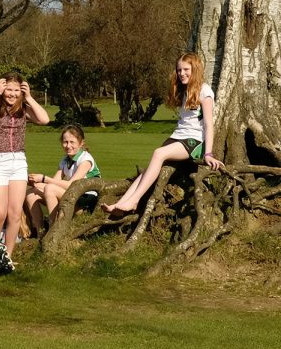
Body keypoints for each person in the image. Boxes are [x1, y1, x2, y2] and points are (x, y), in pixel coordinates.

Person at [102, 52, 223, 217]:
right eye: (179, 70)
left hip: (194, 141)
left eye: (186, 69)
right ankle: (122, 203)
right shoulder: (184, 90)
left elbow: (209, 124)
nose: (181, 73)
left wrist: (208, 153)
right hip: (178, 137)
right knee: (148, 169)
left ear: (195, 69)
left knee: (158, 153)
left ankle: (134, 201)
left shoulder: (205, 91)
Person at [0, 72, 50, 257]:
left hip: (18, 161)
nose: (12, 94)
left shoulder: (23, 109)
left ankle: (7, 256)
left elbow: (44, 120)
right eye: (8, 89)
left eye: (16, 90)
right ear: (2, 89)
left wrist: (30, 98)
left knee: (15, 214)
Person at [25, 124, 101, 231]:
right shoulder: (65, 160)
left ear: (81, 143)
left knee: (49, 189)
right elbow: (55, 181)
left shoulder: (86, 159)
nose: (68, 145)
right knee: (31, 193)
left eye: (72, 142)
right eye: (65, 142)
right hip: (72, 195)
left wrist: (43, 178)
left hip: (85, 201)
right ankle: (40, 231)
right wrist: (34, 182)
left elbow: (73, 185)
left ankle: (53, 230)